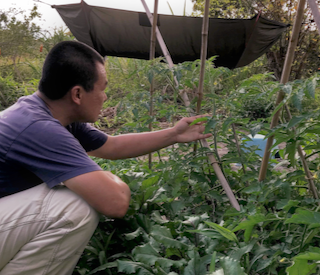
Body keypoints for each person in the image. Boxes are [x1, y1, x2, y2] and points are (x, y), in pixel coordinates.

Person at [0, 41, 212, 275]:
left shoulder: (49, 113)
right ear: (78, 94)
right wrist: (109, 179)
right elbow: (115, 202)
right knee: (73, 207)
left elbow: (111, 146)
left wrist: (174, 133)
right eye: (102, 88)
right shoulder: (39, 127)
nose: (105, 96)